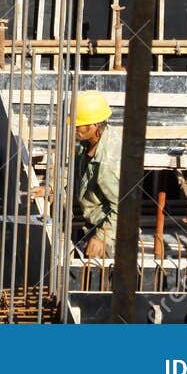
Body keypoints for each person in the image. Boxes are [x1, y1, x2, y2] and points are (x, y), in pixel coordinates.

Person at [71, 90, 121, 259]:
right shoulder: (88, 141)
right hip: (92, 222)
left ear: (94, 126)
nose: (74, 128)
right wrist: (51, 187)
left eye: (78, 125)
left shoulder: (109, 163)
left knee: (101, 271)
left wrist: (102, 237)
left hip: (113, 232)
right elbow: (71, 168)